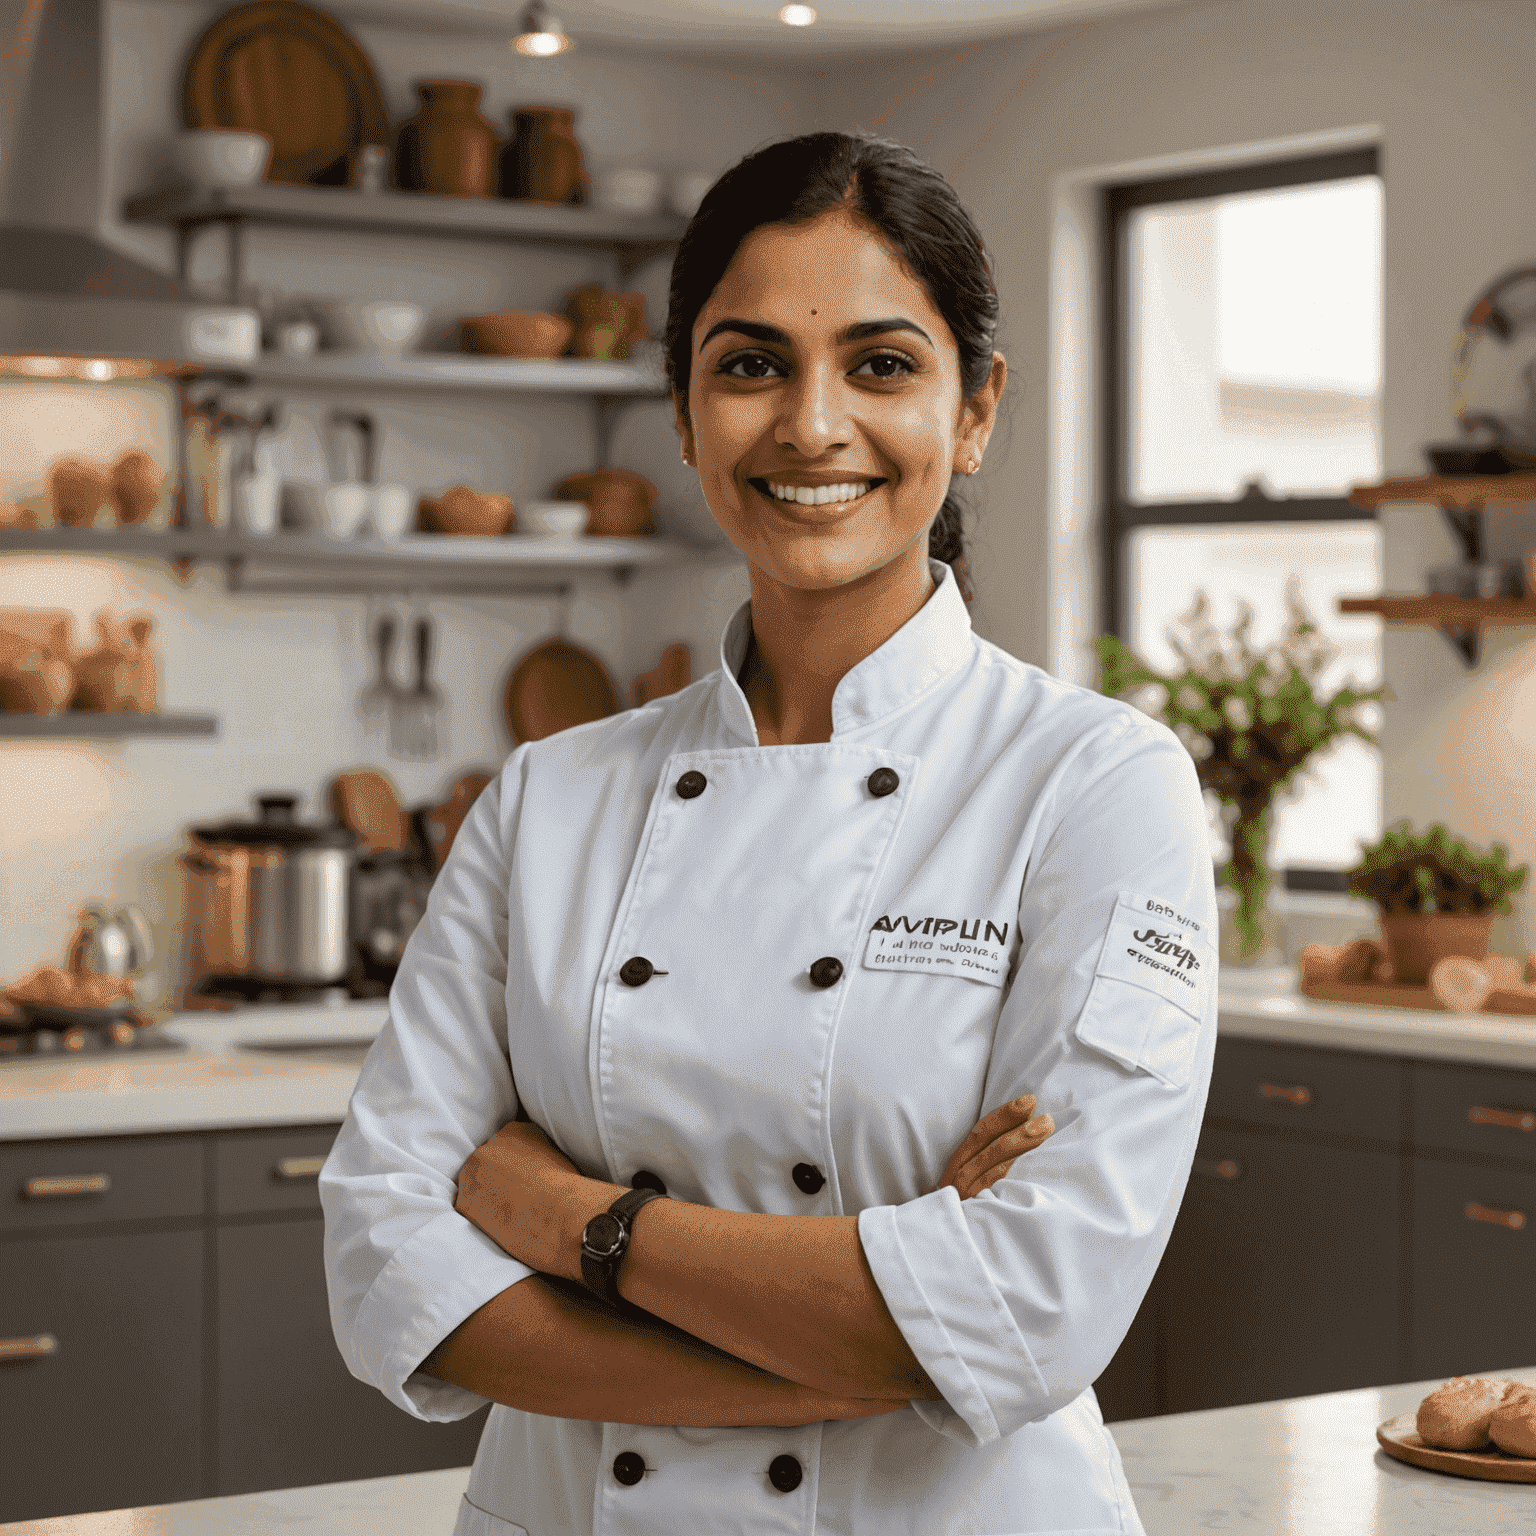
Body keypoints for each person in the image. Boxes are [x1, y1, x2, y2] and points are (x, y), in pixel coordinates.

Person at [321, 130, 1217, 1536]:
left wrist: (567, 1219)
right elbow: (387, 1256)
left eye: (881, 364)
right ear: (683, 413)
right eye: (749, 364)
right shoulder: (552, 795)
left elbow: (1035, 1310)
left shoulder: (1095, 785)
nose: (811, 425)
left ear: (975, 410)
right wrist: (881, 1320)